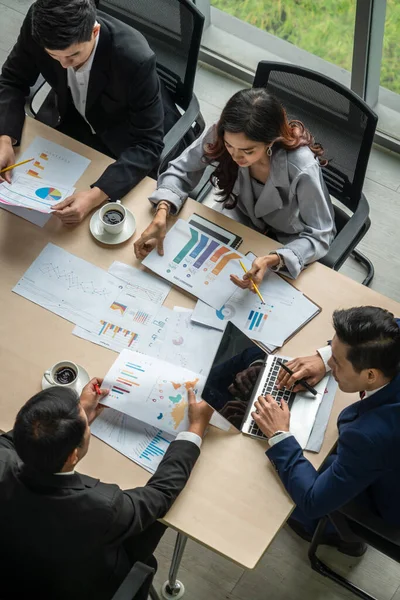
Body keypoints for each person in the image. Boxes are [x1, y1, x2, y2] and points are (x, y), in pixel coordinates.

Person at [0, 377, 213, 599]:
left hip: (16, 567)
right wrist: (195, 429)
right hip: (84, 585)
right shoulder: (102, 506)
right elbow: (159, 494)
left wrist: (66, 420)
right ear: (73, 456)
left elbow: (12, 440)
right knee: (157, 520)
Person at [0, 0, 181, 224]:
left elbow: (148, 144)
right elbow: (12, 79)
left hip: (126, 138)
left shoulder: (135, 59)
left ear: (95, 31)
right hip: (76, 121)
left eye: (73, 56)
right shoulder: (38, 25)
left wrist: (94, 197)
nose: (65, 66)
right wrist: (5, 137)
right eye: (54, 56)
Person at [134, 88, 336, 284]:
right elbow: (181, 170)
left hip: (289, 239)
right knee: (200, 274)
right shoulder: (225, 133)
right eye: (230, 146)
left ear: (271, 141)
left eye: (248, 151)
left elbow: (321, 234)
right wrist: (163, 210)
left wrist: (275, 258)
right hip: (239, 215)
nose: (236, 156)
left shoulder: (301, 165)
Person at [251, 306, 400, 555]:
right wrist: (323, 358)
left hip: (390, 506)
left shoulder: (370, 436)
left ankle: (339, 537)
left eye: (338, 363)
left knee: (281, 495)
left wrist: (279, 435)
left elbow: (313, 500)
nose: (331, 364)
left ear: (371, 375)